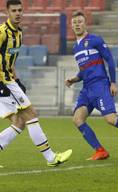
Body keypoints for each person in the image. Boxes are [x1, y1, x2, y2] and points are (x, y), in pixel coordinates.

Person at [65, 11, 118, 160]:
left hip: (100, 85)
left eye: (80, 21)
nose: (77, 25)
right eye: (74, 22)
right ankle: (100, 151)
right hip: (86, 88)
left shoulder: (95, 40)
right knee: (77, 119)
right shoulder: (75, 48)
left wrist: (113, 82)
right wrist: (74, 79)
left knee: (111, 120)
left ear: (85, 23)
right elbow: (84, 70)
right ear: (71, 25)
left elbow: (110, 60)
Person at [0, 0, 72, 167]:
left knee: (19, 122)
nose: (18, 13)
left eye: (20, 10)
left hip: (10, 81)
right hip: (3, 82)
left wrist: (17, 80)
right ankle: (51, 158)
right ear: (7, 12)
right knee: (31, 114)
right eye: (14, 11)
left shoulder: (18, 33)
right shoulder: (3, 33)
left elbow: (10, 62)